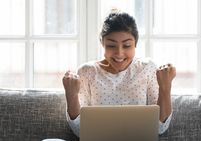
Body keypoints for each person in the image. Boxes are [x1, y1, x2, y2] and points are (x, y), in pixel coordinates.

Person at [62, 10, 176, 138]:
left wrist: (165, 87)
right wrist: (71, 94)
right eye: (111, 45)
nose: (119, 53)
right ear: (102, 44)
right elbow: (79, 130)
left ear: (135, 44)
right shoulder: (86, 72)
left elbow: (160, 127)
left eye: (127, 45)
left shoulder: (147, 68)